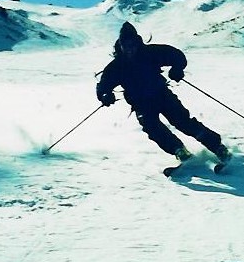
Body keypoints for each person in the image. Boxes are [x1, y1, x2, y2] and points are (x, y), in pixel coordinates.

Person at [96, 21, 231, 165]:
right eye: (126, 46)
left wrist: (177, 69)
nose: (130, 49)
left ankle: (218, 148)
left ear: (137, 42)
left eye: (132, 45)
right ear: (121, 45)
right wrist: (105, 95)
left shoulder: (150, 53)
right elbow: (103, 86)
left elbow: (177, 56)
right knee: (152, 128)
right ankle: (179, 150)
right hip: (141, 104)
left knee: (183, 122)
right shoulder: (116, 66)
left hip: (162, 95)